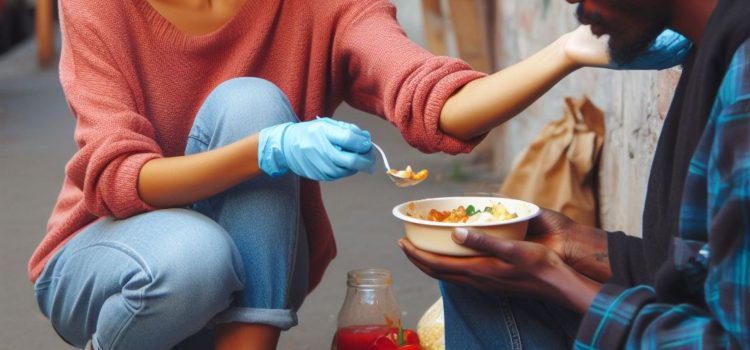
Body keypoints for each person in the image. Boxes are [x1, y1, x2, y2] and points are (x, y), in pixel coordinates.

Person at [27, 0, 687, 349]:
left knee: (250, 100)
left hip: (244, 285)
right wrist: (266, 150)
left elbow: (429, 99)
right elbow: (119, 177)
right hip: (112, 254)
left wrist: (571, 51)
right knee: (197, 250)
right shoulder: (98, 3)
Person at [401, 0, 750, 348]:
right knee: (477, 273)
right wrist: (569, 242)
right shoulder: (710, 44)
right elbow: (692, 269)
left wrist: (554, 279)